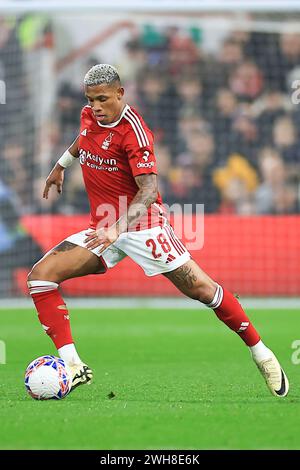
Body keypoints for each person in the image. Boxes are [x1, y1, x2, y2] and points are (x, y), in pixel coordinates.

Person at [27, 64, 289, 397]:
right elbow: (83, 139)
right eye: (90, 100)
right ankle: (74, 367)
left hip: (142, 227)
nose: (95, 107)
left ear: (120, 94)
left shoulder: (135, 132)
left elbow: (149, 191)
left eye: (103, 99)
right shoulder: (90, 116)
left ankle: (260, 352)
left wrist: (118, 228)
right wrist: (59, 167)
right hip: (103, 228)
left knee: (203, 291)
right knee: (40, 278)